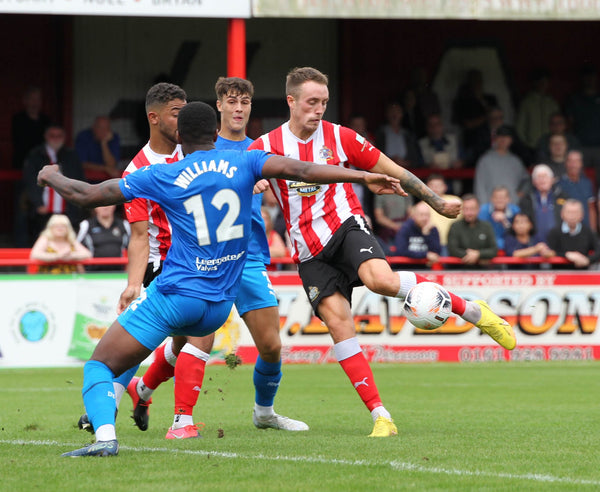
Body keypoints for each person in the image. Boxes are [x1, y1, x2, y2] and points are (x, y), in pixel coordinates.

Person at [38, 100, 403, 457]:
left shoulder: (162, 174)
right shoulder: (247, 159)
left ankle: (104, 437)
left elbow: (87, 196)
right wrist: (362, 176)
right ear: (217, 131)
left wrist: (52, 175)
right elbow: (305, 171)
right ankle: (167, 403)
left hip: (177, 295)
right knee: (204, 344)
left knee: (101, 364)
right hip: (217, 307)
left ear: (179, 136)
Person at [248, 67, 516, 438]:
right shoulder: (262, 146)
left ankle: (474, 311)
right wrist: (254, 179)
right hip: (308, 252)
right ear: (291, 101)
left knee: (381, 281)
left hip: (345, 226)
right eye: (312, 102)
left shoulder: (341, 138)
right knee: (340, 326)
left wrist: (435, 201)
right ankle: (381, 416)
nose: (319, 109)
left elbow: (394, 170)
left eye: (324, 102)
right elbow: (235, 180)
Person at [129, 77, 308, 439]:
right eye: (232, 101)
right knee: (200, 337)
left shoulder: (259, 152)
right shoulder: (194, 149)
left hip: (250, 258)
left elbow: (293, 184)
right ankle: (182, 419)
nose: (239, 108)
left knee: (271, 346)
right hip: (202, 260)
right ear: (219, 108)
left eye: (245, 102)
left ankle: (262, 411)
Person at [22, 123, 85, 245]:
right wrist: (38, 203)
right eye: (52, 135)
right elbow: (30, 181)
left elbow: (79, 178)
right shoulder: (35, 154)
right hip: (42, 210)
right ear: (46, 136)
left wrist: (77, 202)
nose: (55, 138)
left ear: (64, 137)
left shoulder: (71, 155)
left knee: (68, 241)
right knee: (41, 241)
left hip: (68, 208)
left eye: (59, 136)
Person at [474, 125, 530, 205]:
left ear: (511, 140)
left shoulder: (516, 161)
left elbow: (527, 180)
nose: (503, 139)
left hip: (512, 208)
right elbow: (479, 187)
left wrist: (519, 195)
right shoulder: (485, 160)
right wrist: (484, 208)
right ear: (495, 139)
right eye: (500, 136)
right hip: (490, 209)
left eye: (506, 136)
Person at [518, 164, 569, 243]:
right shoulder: (527, 199)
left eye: (545, 176)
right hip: (534, 245)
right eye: (538, 177)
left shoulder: (563, 197)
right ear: (534, 182)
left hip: (559, 244)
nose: (542, 180)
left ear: (552, 179)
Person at [546, 199, 600, 269]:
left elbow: (598, 250)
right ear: (562, 214)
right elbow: (548, 252)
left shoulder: (588, 232)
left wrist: (588, 260)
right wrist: (567, 255)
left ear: (582, 215)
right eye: (569, 212)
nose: (572, 216)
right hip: (560, 274)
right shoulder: (554, 232)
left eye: (575, 212)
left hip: (582, 275)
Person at [447, 194, 498, 267]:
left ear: (478, 209)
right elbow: (452, 250)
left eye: (472, 209)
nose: (469, 213)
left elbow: (494, 250)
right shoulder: (455, 226)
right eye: (466, 209)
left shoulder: (486, 226)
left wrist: (478, 254)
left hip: (482, 272)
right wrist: (473, 256)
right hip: (458, 270)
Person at [515, 68, 560, 150]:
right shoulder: (527, 102)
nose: (542, 84)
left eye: (545, 82)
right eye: (540, 81)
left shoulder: (552, 103)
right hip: (532, 146)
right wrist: (526, 143)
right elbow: (520, 127)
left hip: (550, 146)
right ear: (535, 83)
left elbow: (558, 125)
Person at [76, 205, 130, 272]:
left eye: (108, 205)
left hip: (119, 275)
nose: (105, 208)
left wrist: (127, 275)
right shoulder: (86, 225)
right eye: (101, 205)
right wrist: (83, 277)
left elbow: (133, 250)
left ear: (114, 206)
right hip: (92, 275)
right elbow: (76, 248)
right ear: (95, 207)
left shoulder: (124, 225)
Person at [11, 86, 51, 169]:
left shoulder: (46, 120)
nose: (35, 103)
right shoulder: (18, 119)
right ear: (25, 101)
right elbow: (20, 142)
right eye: (32, 99)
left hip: (43, 162)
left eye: (38, 100)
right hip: (23, 162)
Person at [375, 100, 423, 168]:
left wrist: (405, 163)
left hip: (407, 170)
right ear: (387, 114)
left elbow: (416, 159)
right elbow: (375, 155)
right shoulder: (380, 133)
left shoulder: (408, 135)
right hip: (385, 170)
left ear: (402, 114)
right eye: (391, 111)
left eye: (397, 111)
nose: (394, 114)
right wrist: (392, 161)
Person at [393, 201, 441, 268]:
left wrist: (426, 235)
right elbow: (401, 251)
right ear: (414, 216)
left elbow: (436, 252)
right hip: (405, 268)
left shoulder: (432, 229)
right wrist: (425, 254)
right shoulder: (405, 228)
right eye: (421, 215)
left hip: (425, 269)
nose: (424, 218)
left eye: (427, 215)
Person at [558, 150, 597, 231]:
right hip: (567, 231)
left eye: (577, 161)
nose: (573, 165)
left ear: (581, 164)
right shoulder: (558, 184)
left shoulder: (587, 183)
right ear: (566, 163)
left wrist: (593, 231)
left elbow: (591, 209)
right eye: (570, 161)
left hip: (586, 230)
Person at [75, 115, 121, 181]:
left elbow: (111, 165)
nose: (103, 131)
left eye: (106, 128)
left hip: (106, 181)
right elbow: (81, 163)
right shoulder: (83, 137)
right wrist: (105, 168)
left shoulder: (113, 138)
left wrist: (104, 143)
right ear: (93, 127)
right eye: (100, 128)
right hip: (86, 180)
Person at [425, 174, 461, 256]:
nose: (435, 188)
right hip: (431, 245)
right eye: (432, 185)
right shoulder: (421, 206)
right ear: (426, 187)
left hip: (455, 244)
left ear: (445, 187)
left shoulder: (456, 201)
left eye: (438, 185)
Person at [477, 186, 520, 251]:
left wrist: (505, 221)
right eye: (496, 198)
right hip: (487, 248)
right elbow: (479, 232)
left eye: (503, 198)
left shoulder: (516, 211)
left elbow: (520, 233)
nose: (499, 200)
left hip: (510, 247)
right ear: (491, 199)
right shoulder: (483, 211)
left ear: (509, 199)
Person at [261, 206, 288, 270]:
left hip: (272, 274)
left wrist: (257, 252)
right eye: (260, 218)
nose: (263, 222)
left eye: (265, 219)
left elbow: (281, 252)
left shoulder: (273, 235)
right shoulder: (249, 236)